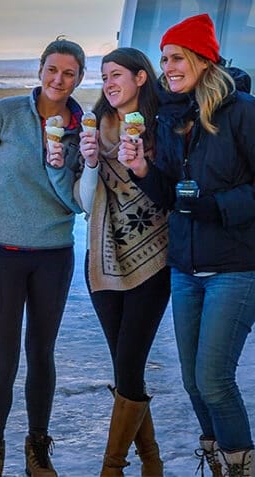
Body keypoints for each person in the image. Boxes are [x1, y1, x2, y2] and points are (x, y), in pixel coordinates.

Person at [117, 14, 255, 477]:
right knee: (194, 383)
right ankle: (217, 461)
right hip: (186, 267)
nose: (167, 68)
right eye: (163, 60)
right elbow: (171, 197)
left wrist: (214, 207)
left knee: (214, 379)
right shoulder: (173, 119)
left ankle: (238, 467)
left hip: (239, 266)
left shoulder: (246, 113)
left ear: (202, 59)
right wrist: (141, 170)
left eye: (176, 58)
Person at [0, 37, 86, 477]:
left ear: (79, 78)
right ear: (40, 70)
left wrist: (69, 161)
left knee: (42, 353)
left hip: (53, 255)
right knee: (3, 359)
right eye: (52, 69)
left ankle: (37, 448)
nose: (58, 79)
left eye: (68, 73)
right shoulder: (6, 114)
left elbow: (82, 197)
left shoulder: (81, 131)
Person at [75, 47, 170, 477]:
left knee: (129, 362)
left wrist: (142, 164)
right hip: (103, 258)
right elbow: (82, 200)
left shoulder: (163, 126)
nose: (109, 82)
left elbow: (168, 191)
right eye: (103, 76)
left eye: (116, 75)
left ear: (141, 78)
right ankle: (151, 461)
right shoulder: (96, 127)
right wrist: (91, 162)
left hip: (154, 257)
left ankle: (112, 467)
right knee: (124, 366)